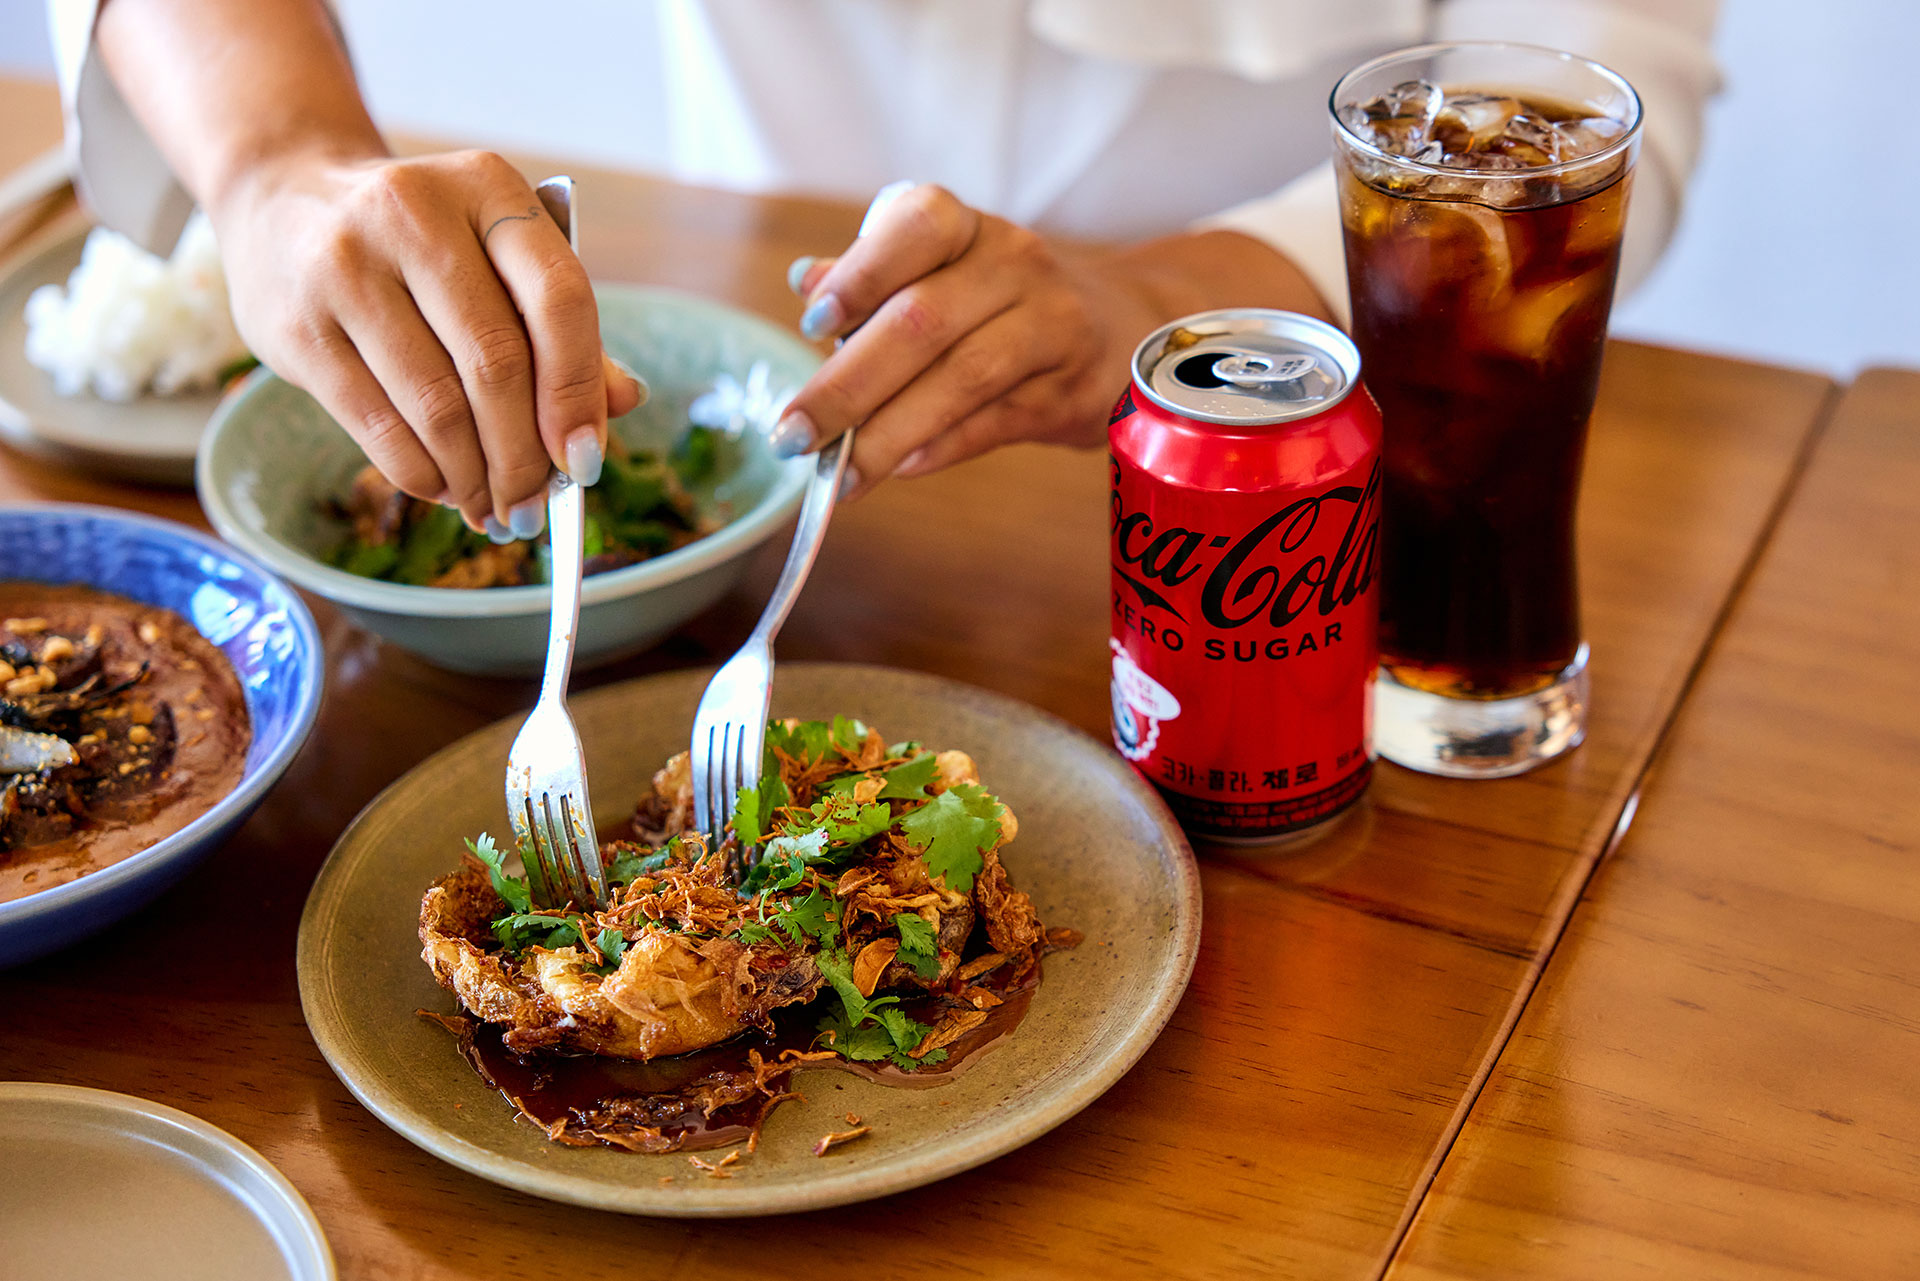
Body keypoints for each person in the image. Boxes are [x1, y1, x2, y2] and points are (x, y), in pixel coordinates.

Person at [47, 0, 1719, 542]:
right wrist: (276, 160)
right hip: (761, 302)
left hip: (1328, 456)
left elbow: (1604, 82)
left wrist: (1168, 309)